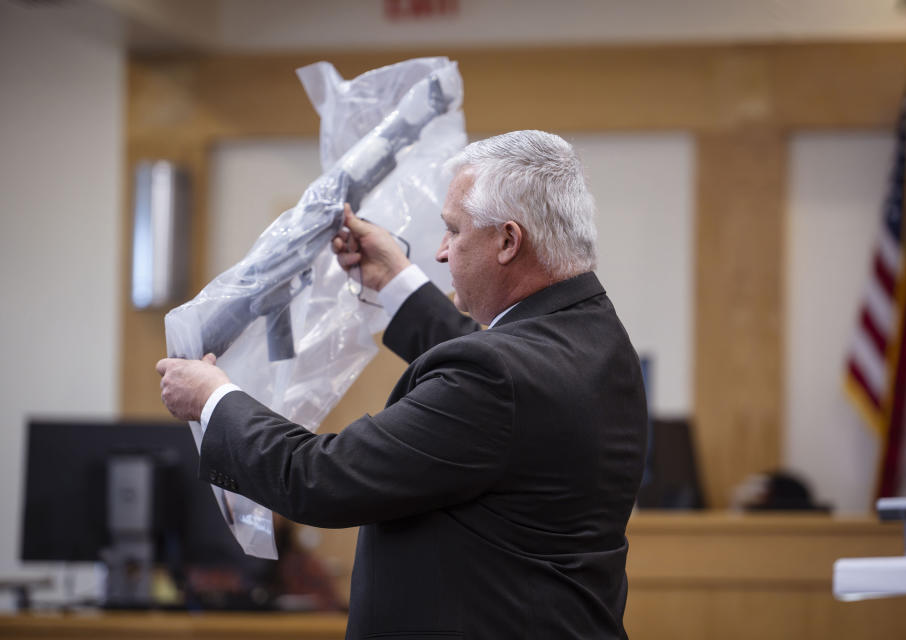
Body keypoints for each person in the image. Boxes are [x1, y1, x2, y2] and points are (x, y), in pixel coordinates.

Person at [157, 130, 647, 639]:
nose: (440, 253)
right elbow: (501, 373)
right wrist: (393, 280)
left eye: (453, 232)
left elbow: (321, 480)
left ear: (508, 241)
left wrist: (212, 399)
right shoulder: (597, 339)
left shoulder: (501, 379)